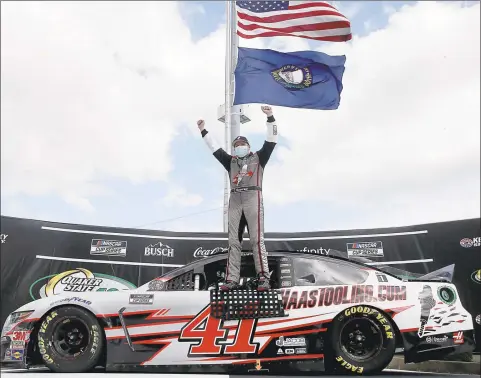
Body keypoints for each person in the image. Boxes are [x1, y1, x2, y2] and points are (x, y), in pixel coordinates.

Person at [197, 106, 278, 291]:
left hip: (253, 197)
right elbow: (214, 148)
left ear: (248, 146)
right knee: (233, 241)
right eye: (236, 146)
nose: (239, 148)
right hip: (235, 199)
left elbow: (272, 139)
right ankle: (232, 279)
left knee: (257, 239)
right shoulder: (230, 161)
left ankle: (263, 278)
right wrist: (203, 130)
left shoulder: (259, 157)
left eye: (242, 145)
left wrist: (270, 117)